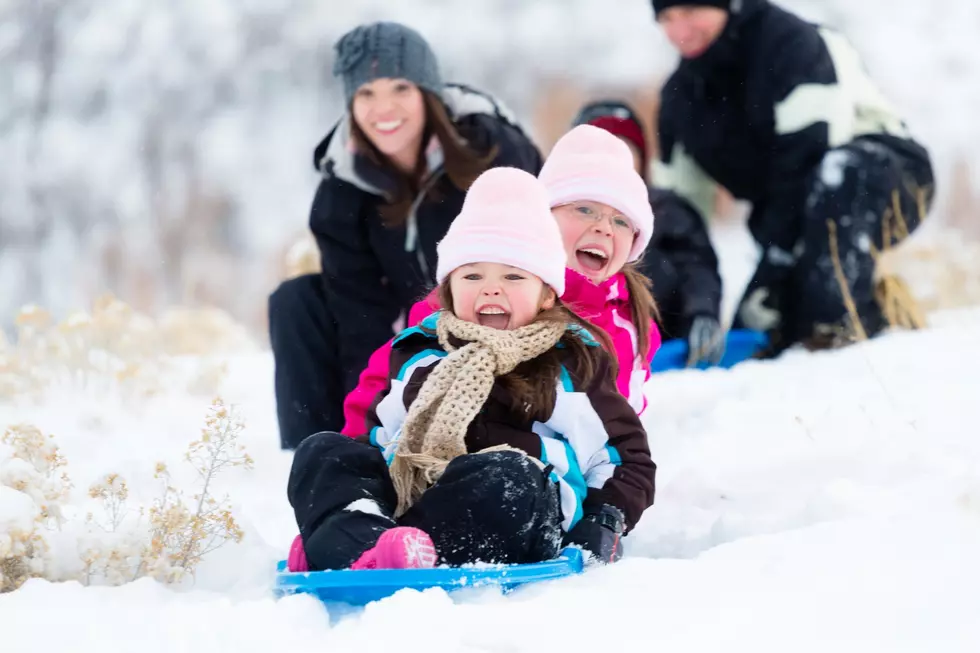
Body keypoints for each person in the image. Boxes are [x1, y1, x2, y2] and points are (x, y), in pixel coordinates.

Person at [286, 167, 656, 572]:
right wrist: (351, 484)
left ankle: (363, 547)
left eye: (513, 276)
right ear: (449, 289)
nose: (491, 288)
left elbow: (625, 460)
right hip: (412, 498)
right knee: (324, 450)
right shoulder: (418, 352)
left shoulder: (570, 361)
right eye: (473, 274)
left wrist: (604, 520)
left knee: (508, 475)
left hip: (519, 513)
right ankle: (360, 540)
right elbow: (379, 437)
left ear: (547, 294)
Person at [269, 22, 544, 450]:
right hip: (404, 320)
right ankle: (320, 451)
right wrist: (368, 417)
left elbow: (539, 254)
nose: (384, 108)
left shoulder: (492, 149)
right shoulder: (342, 186)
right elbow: (356, 309)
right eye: (366, 93)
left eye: (399, 87)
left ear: (426, 92)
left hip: (496, 311)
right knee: (296, 301)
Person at [650, 0, 935, 354]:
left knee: (823, 306)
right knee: (760, 330)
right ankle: (860, 312)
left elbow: (809, 155)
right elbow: (678, 217)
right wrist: (687, 310)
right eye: (666, 18)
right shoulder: (680, 99)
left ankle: (853, 339)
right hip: (787, 215)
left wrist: (776, 263)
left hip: (882, 175)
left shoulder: (788, 42)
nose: (679, 30)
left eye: (691, 11)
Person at [340, 124, 661, 437]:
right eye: (584, 209)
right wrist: (357, 445)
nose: (604, 227)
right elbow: (389, 375)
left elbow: (625, 423)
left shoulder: (633, 321)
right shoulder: (484, 289)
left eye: (620, 220)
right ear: (544, 218)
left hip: (557, 469)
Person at [572, 100, 724, 365]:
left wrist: (702, 312)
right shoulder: (555, 214)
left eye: (626, 152)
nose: (615, 164)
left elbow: (696, 267)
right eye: (604, 153)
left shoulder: (668, 210)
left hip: (662, 346)